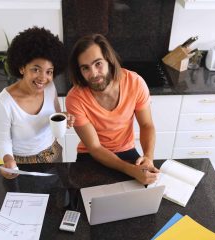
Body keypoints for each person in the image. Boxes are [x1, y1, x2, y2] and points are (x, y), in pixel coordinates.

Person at [65, 33, 159, 185]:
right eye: (85, 68)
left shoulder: (135, 83)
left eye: (98, 64)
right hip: (90, 155)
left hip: (126, 150)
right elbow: (94, 147)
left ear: (109, 60)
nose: (94, 73)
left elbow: (146, 125)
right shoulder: (75, 98)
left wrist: (148, 157)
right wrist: (129, 170)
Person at [0, 26, 74, 179]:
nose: (43, 78)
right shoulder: (3, 103)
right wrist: (8, 161)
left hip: (53, 153)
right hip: (22, 164)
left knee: (57, 200)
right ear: (22, 67)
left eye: (49, 71)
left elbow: (55, 113)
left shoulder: (50, 88)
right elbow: (2, 139)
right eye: (36, 69)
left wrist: (64, 116)